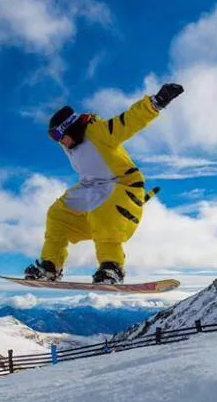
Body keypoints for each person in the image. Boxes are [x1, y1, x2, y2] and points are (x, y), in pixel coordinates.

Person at [25, 83, 184, 284]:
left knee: (103, 213)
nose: (59, 142)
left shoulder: (99, 132)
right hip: (92, 189)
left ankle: (112, 267)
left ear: (70, 128)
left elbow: (129, 121)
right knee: (57, 214)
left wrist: (156, 102)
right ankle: (50, 266)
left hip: (123, 187)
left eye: (59, 136)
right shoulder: (70, 145)